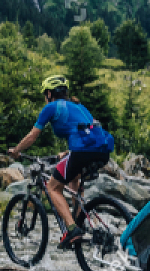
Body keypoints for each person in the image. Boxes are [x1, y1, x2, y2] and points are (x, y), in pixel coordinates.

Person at [10, 74, 115, 247]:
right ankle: (79, 222)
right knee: (74, 179)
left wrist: (16, 150)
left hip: (82, 152)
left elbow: (32, 136)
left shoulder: (51, 107)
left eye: (45, 94)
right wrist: (66, 153)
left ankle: (73, 230)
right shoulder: (78, 105)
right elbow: (87, 134)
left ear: (50, 94)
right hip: (102, 152)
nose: (45, 98)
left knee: (53, 187)